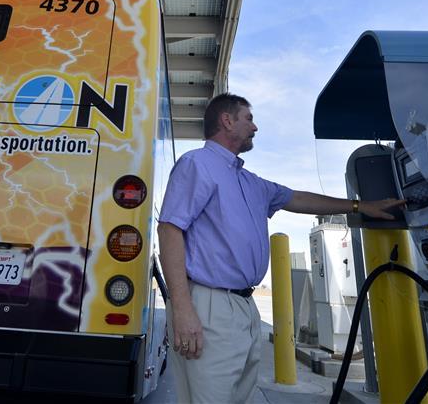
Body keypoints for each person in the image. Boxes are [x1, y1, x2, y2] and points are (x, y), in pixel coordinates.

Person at [157, 93, 404, 403]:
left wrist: (361, 205)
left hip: (244, 308)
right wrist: (181, 307)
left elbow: (298, 198)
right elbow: (169, 229)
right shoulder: (197, 164)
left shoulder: (251, 182)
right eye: (248, 118)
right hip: (210, 305)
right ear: (227, 120)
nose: (255, 126)